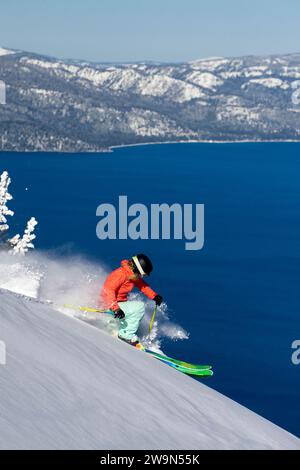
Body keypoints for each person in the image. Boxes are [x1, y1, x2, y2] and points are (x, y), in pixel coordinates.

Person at [101, 254, 163, 347]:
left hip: (117, 307)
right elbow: (108, 290)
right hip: (109, 307)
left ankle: (119, 329)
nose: (142, 277)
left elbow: (142, 286)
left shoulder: (131, 275)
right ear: (137, 270)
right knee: (139, 307)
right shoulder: (121, 274)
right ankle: (125, 335)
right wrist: (115, 308)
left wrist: (154, 296)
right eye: (143, 274)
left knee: (135, 313)